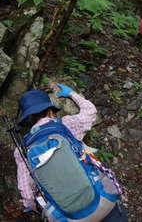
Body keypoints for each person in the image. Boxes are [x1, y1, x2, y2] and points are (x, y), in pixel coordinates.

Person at [14, 83, 127, 222]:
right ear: (50, 111)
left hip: (69, 217)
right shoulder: (65, 125)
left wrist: (34, 207)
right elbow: (90, 111)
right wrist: (71, 93)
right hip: (103, 202)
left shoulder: (21, 151)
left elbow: (27, 194)